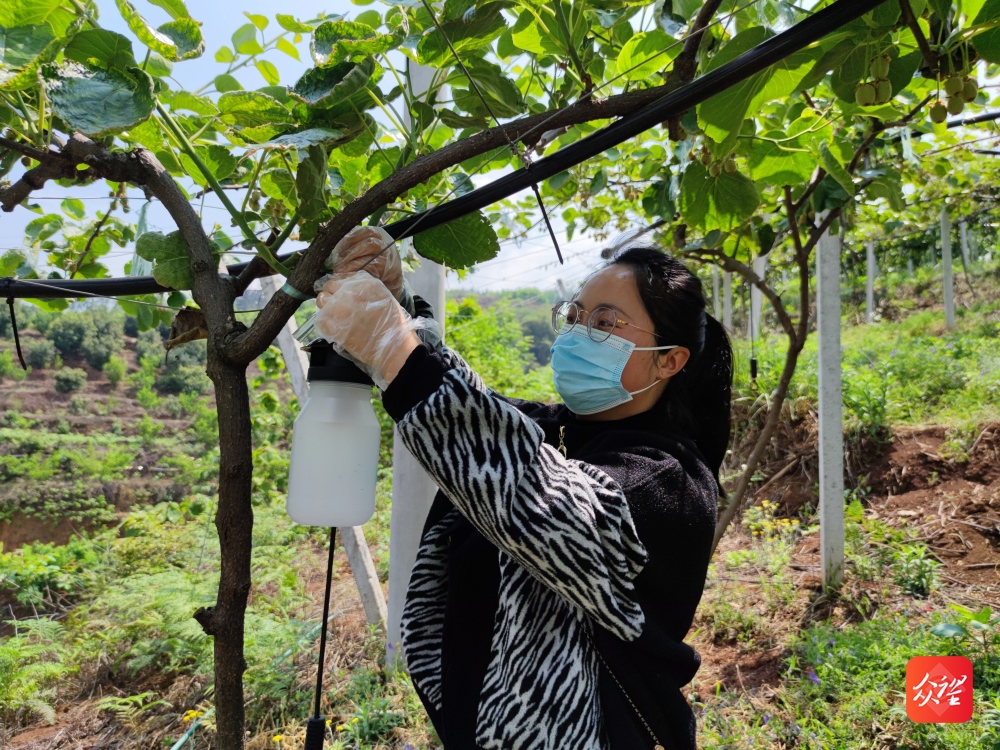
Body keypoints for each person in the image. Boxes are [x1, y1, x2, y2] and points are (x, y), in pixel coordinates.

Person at [312, 226, 733, 750]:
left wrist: (391, 346)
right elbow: (479, 417)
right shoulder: (558, 431)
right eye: (576, 316)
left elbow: (539, 501)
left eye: (605, 322)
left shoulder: (666, 478)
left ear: (669, 360)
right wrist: (397, 308)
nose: (578, 332)